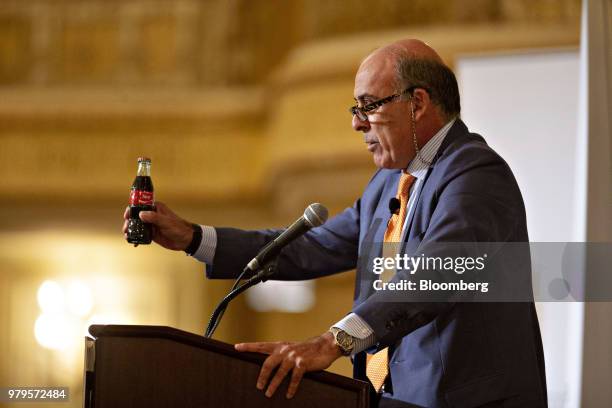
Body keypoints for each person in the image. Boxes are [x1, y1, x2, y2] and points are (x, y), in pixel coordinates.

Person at [123, 39, 547, 407]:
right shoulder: (388, 183)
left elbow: (434, 276)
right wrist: (195, 239)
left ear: (417, 103)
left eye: (368, 106)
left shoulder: (475, 175)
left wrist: (331, 342)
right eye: (355, 108)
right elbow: (314, 245)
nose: (356, 122)